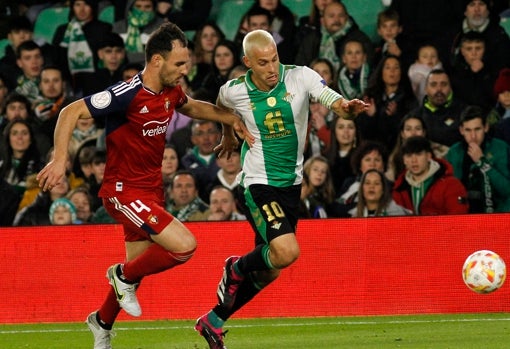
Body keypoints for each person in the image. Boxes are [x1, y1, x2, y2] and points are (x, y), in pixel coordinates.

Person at [36, 22, 252, 349]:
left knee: (138, 271)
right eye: (179, 64)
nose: (184, 70)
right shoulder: (126, 94)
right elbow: (71, 111)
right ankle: (120, 275)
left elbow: (190, 105)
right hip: (122, 192)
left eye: (187, 63)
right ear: (156, 61)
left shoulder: (170, 91)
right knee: (183, 246)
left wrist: (229, 118)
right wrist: (60, 159)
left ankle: (102, 322)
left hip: (150, 191)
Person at [194, 29, 368, 348]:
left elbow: (331, 99)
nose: (272, 68)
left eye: (274, 59)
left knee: (270, 271)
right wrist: (230, 134)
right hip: (258, 182)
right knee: (287, 252)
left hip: (291, 184)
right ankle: (236, 267)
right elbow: (220, 105)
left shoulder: (300, 77)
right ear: (248, 63)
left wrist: (346, 107)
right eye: (263, 63)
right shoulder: (235, 90)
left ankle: (213, 320)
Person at [445, 106, 510, 213]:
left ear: (486, 127)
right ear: (461, 130)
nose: (473, 136)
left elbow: (507, 190)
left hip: (496, 214)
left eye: (477, 129)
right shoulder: (455, 152)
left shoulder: (500, 148)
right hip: (462, 216)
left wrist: (482, 162)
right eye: (468, 130)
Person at [392, 136, 469, 215]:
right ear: (404, 160)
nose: (414, 160)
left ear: (428, 156)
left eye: (418, 154)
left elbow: (458, 220)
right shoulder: (398, 188)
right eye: (409, 156)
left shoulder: (451, 185)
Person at [356, 54, 417, 151]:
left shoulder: (409, 100)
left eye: (396, 67)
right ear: (381, 72)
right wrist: (371, 116)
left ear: (401, 72)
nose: (392, 71)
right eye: (387, 67)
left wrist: (394, 116)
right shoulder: (370, 97)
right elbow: (362, 131)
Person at [294, 2, 374, 72]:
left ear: (346, 18)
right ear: (322, 20)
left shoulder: (359, 39)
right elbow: (299, 68)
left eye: (341, 16)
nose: (336, 20)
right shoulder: (311, 39)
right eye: (331, 16)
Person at [405, 68, 467, 158]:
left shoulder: (464, 112)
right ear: (426, 88)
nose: (439, 89)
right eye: (433, 85)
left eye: (444, 84)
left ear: (450, 87)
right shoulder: (414, 116)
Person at [328, 140, 388, 217]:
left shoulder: (389, 186)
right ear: (360, 165)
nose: (372, 164)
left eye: (377, 160)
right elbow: (335, 207)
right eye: (367, 160)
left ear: (383, 166)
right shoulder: (349, 182)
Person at [450, 31, 497, 114]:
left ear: (485, 50)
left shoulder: (494, 70)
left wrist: (482, 73)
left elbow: (495, 97)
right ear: (462, 51)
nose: (474, 53)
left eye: (478, 48)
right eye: (469, 49)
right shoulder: (453, 72)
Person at [112, 0, 164, 65]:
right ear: (130, 7)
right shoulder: (118, 26)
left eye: (147, 7)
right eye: (138, 6)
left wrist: (128, 56)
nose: (142, 10)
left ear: (154, 8)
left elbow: (160, 55)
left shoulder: (162, 27)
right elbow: (113, 53)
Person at [181, 120, 222, 202]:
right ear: (193, 139)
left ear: (218, 136)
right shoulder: (186, 161)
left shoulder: (228, 157)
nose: (206, 138)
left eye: (210, 132)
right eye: (200, 134)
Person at [326, 113, 360, 196]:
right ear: (335, 131)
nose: (346, 131)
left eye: (350, 127)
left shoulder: (363, 158)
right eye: (341, 127)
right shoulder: (326, 158)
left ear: (356, 131)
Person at [385, 114, 427, 181]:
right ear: (402, 134)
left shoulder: (439, 153)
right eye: (408, 129)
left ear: (424, 132)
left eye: (418, 129)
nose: (413, 133)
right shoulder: (394, 159)